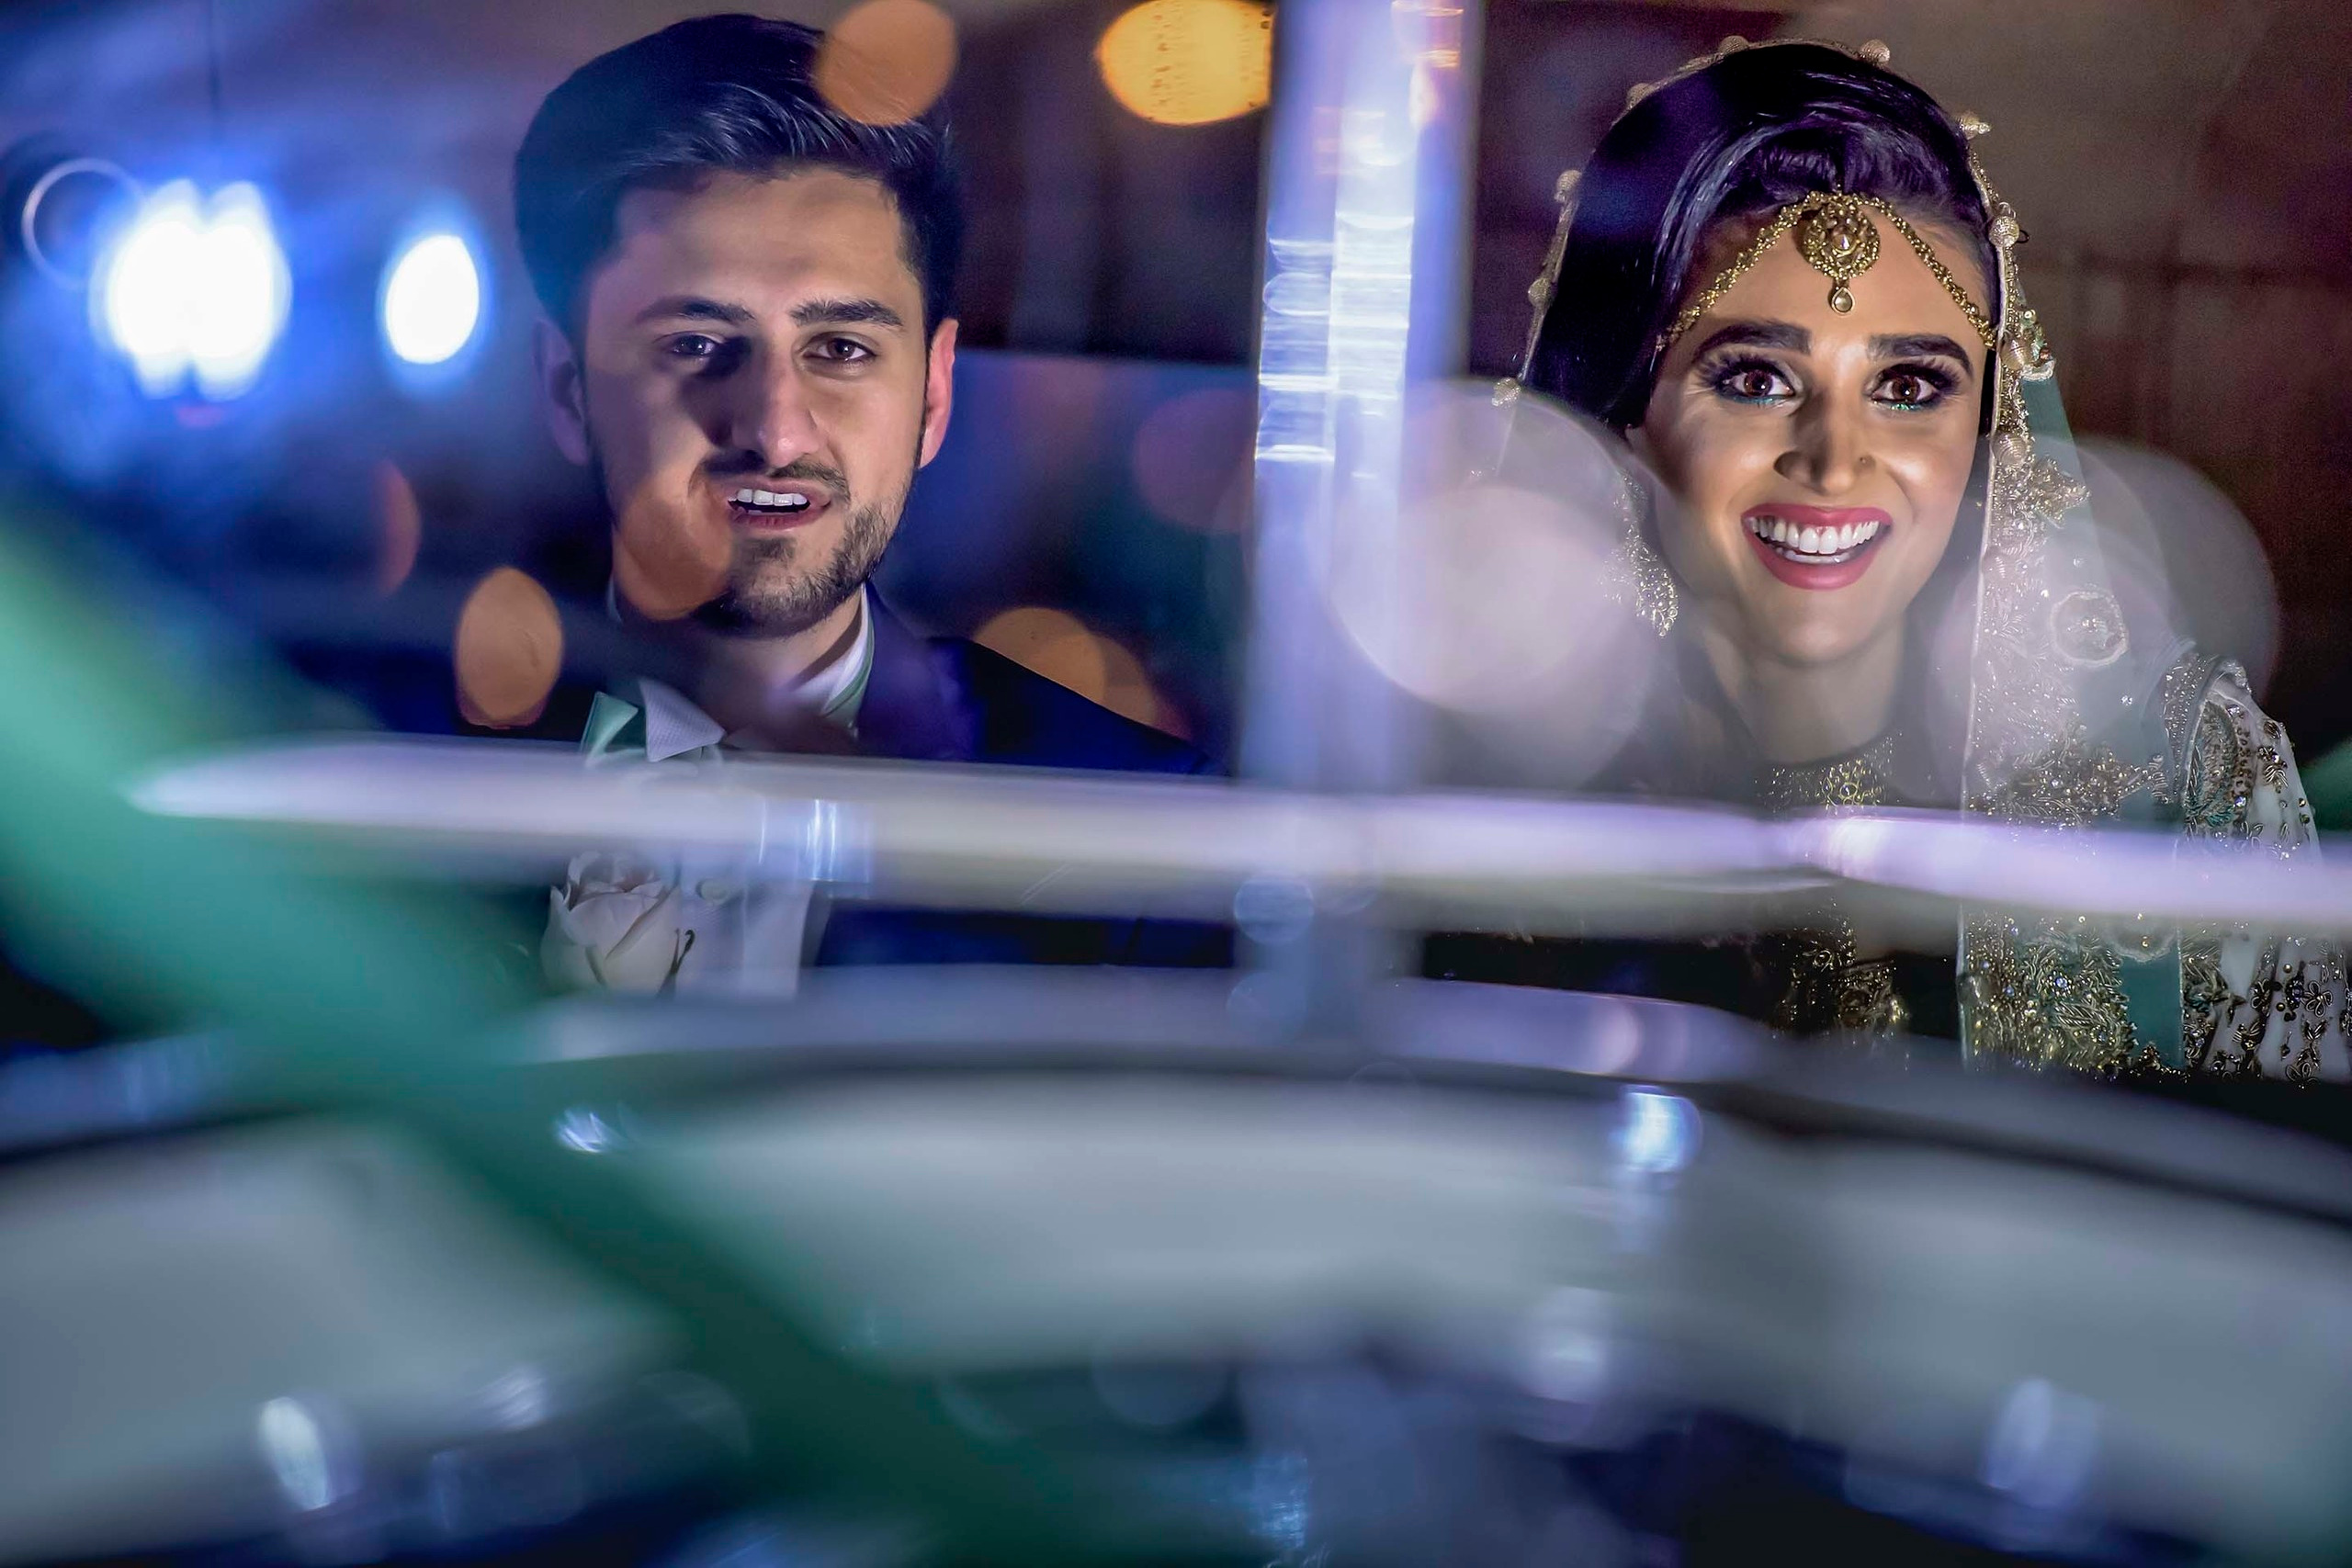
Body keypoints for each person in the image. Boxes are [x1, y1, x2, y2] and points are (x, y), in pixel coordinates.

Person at [1436, 37, 2346, 1079]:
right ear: (1624, 407)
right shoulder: (1479, 773)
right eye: (1753, 379)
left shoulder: (2177, 784)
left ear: (1986, 426)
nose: (1833, 463)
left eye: (1909, 388)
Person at [512, 13, 1220, 987]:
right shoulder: (362, 764)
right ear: (568, 392)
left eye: (840, 350)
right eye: (693, 345)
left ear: (932, 397)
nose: (775, 430)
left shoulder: (1140, 834)